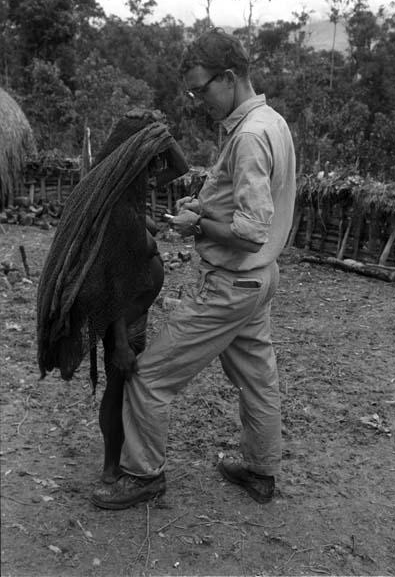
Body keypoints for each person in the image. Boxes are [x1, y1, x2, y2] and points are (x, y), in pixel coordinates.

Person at [91, 28, 296, 510]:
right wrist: (203, 201)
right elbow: (254, 206)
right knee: (257, 377)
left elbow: (249, 230)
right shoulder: (272, 123)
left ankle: (143, 475)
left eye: (203, 89)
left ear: (228, 77)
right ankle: (260, 469)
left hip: (231, 281)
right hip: (259, 279)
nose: (200, 100)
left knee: (149, 376)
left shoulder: (248, 137)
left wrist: (197, 222)